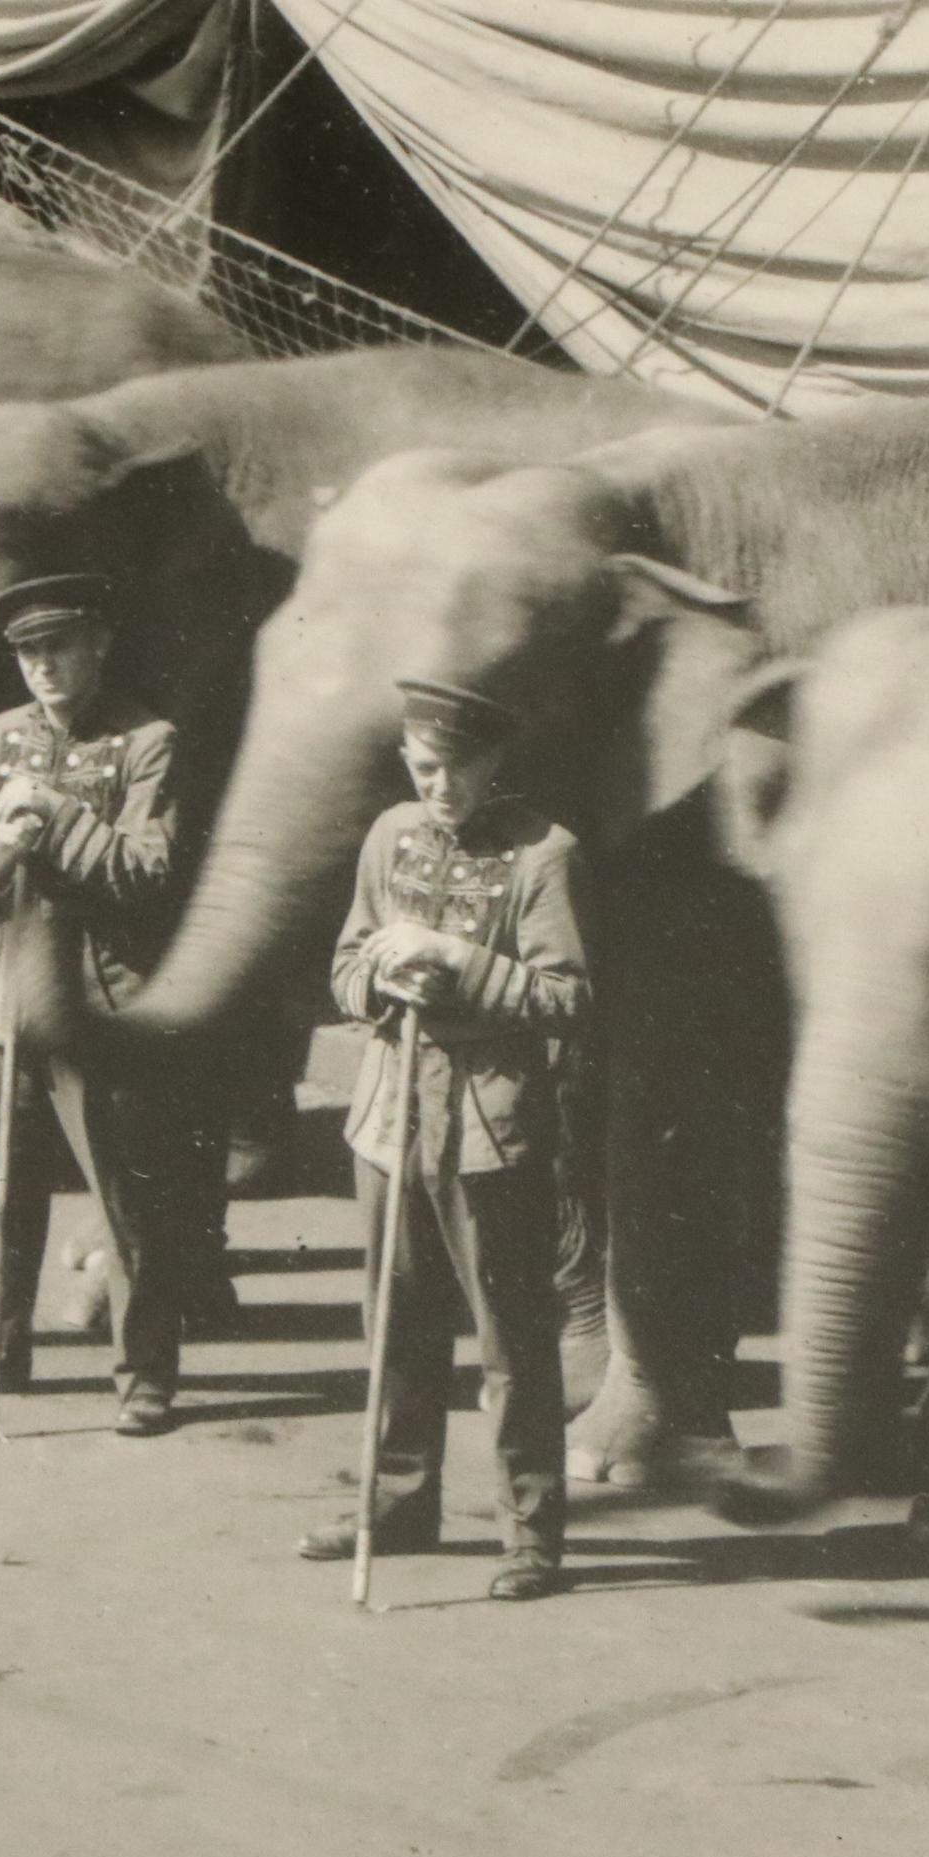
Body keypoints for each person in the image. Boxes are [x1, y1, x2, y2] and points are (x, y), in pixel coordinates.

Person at [297, 680, 591, 1601]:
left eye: (458, 770)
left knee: (510, 1338)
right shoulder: (390, 836)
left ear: (493, 763)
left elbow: (565, 997)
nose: (441, 789)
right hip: (390, 1116)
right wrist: (382, 982)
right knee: (394, 1319)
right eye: (424, 770)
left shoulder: (545, 853)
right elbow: (344, 963)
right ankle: (397, 1501)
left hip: (490, 1125)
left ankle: (531, 1532)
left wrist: (460, 967)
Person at [0, 572, 191, 1435]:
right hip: (2, 993)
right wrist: (3, 844)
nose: (43, 666)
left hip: (100, 995)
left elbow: (148, 871)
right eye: (28, 652)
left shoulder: (149, 740)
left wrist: (60, 818)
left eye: (59, 646)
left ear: (98, 643)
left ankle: (144, 1375)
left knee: (124, 1193)